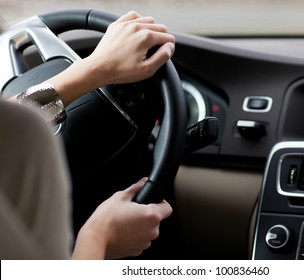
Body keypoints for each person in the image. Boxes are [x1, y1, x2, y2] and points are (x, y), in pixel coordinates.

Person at [0, 10, 174, 260]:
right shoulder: (26, 133)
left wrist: (95, 69)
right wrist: (100, 238)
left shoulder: (18, 127)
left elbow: (11, 122)